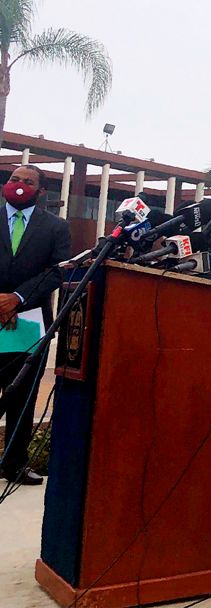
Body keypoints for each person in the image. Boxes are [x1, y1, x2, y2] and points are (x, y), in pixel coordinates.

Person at [0, 165, 70, 486]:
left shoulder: (55, 227)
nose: (19, 185)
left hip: (28, 320)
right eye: (15, 179)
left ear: (40, 191)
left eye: (28, 182)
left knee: (21, 395)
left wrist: (16, 298)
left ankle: (14, 463)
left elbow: (57, 272)